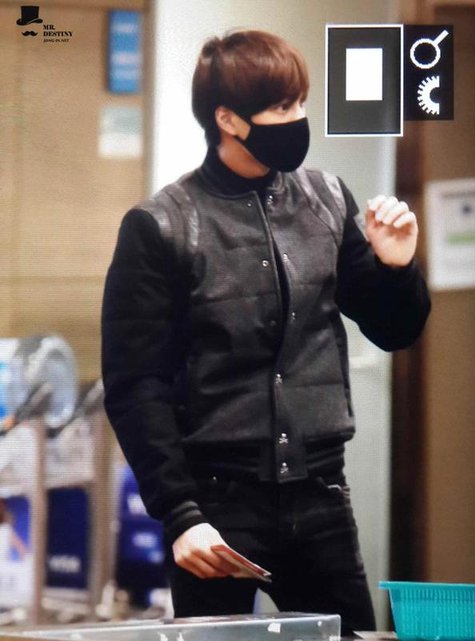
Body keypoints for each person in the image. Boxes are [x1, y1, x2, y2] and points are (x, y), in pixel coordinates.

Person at [101, 29, 431, 635]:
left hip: (320, 492)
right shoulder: (161, 225)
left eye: (301, 102)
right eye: (282, 107)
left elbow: (394, 329)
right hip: (217, 503)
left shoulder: (327, 200)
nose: (298, 119)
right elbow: (135, 386)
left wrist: (397, 267)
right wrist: (181, 514)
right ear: (227, 118)